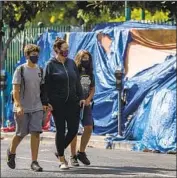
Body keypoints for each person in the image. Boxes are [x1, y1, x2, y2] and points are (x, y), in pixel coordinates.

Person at [43, 37, 85, 170]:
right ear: (57, 50)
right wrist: (46, 102)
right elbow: (45, 85)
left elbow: (77, 82)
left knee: (73, 129)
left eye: (68, 49)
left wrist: (81, 97)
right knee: (60, 130)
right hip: (57, 103)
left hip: (72, 102)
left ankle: (59, 150)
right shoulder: (50, 65)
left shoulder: (71, 63)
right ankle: (62, 159)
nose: (66, 51)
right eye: (64, 49)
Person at [6, 44, 49, 172]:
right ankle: (11, 152)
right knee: (20, 134)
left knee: (36, 133)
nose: (35, 56)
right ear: (27, 55)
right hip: (22, 108)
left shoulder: (40, 70)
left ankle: (34, 162)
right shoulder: (20, 70)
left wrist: (45, 103)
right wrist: (18, 105)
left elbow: (43, 89)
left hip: (37, 106)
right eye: (33, 54)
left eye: (37, 54)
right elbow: (15, 90)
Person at [70, 50, 95, 166]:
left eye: (87, 58)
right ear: (79, 59)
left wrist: (89, 99)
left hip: (87, 104)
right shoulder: (74, 71)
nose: (86, 60)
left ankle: (81, 152)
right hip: (75, 103)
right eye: (83, 58)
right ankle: (73, 155)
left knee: (89, 127)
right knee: (73, 130)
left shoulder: (90, 73)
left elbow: (92, 88)